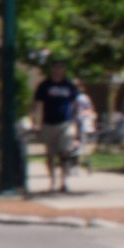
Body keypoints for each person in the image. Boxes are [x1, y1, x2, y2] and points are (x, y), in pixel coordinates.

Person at [35, 62, 86, 193]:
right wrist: (36, 122)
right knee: (50, 155)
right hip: (48, 123)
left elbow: (76, 104)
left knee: (65, 152)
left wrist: (77, 120)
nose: (57, 71)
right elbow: (37, 104)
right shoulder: (44, 85)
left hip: (66, 123)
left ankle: (64, 181)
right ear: (51, 70)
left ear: (64, 70)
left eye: (60, 68)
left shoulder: (69, 86)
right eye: (55, 68)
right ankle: (53, 181)